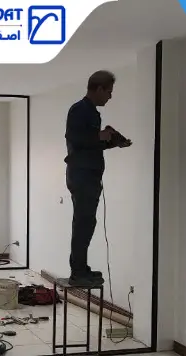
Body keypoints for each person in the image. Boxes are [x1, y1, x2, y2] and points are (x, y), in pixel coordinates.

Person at [64, 70, 132, 286]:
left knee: (87, 223)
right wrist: (98, 135)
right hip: (81, 175)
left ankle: (81, 268)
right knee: (83, 223)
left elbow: (90, 145)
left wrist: (113, 142)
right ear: (99, 89)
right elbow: (74, 138)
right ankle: (77, 272)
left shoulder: (92, 112)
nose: (110, 97)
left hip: (89, 174)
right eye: (109, 92)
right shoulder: (79, 109)